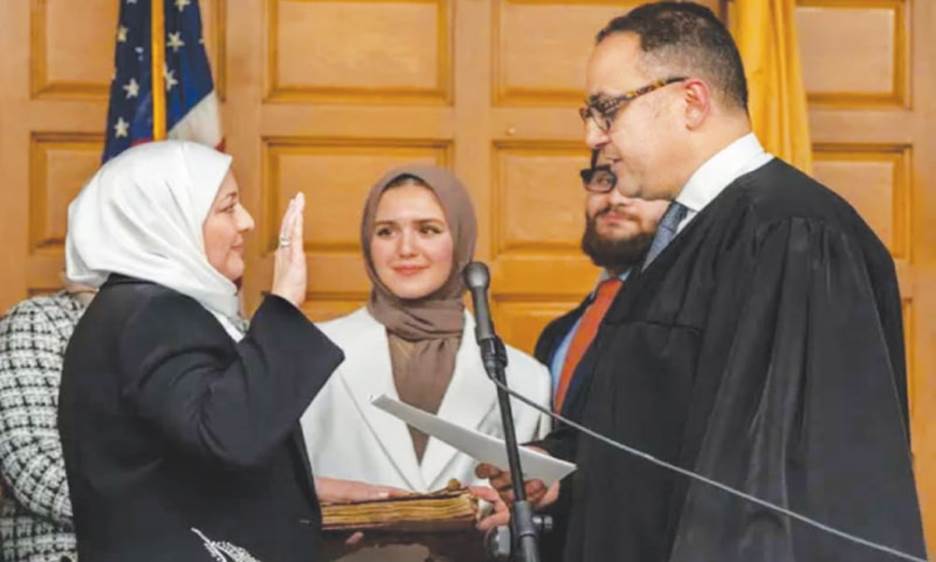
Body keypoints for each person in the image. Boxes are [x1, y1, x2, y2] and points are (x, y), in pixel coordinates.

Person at [479, 3, 926, 562]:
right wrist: (564, 470)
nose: (593, 136)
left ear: (691, 101)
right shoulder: (678, 238)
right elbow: (663, 428)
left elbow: (785, 486)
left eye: (607, 109)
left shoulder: (791, 234)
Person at [58, 140, 345, 562]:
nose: (246, 222)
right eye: (228, 207)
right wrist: (284, 306)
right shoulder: (153, 313)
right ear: (168, 222)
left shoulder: (132, 308)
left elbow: (187, 463)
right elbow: (230, 436)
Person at [300, 165, 551, 560]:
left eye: (428, 229)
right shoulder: (310, 351)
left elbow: (525, 526)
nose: (405, 249)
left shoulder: (523, 377)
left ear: (462, 239)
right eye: (386, 231)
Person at [531, 150, 665, 562]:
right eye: (604, 179)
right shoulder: (557, 334)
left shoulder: (679, 330)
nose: (616, 198)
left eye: (635, 182)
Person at [0, 280, 95, 562]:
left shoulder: (215, 323)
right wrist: (159, 514)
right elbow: (33, 466)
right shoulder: (40, 321)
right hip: (64, 549)